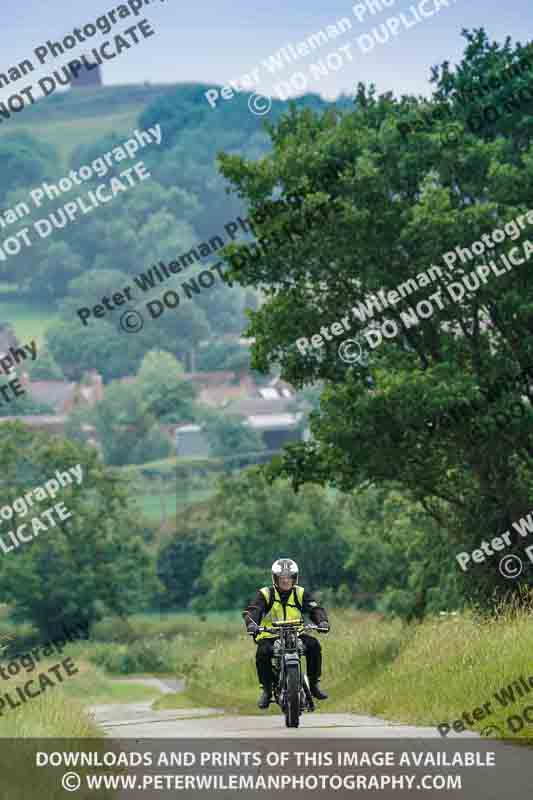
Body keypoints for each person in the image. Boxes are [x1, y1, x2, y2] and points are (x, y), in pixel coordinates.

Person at [242, 557, 330, 709]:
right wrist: (252, 624)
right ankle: (267, 690)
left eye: (289, 578)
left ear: (294, 578)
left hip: (296, 633)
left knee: (314, 645)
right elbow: (253, 611)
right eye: (281, 578)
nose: (285, 581)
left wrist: (322, 621)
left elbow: (315, 609)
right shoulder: (266, 594)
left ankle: (314, 685)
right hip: (270, 635)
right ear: (275, 578)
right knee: (262, 653)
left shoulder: (300, 593)